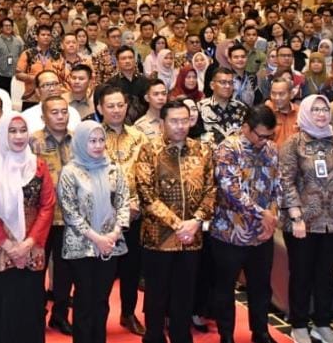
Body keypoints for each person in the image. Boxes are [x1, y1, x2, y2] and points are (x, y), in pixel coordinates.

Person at [279, 94, 333, 343]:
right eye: (315, 110)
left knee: (326, 276)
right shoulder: (294, 143)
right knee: (301, 275)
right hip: (302, 222)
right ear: (305, 113)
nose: (321, 114)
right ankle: (299, 325)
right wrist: (296, 216)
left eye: (324, 109)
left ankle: (322, 324)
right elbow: (285, 181)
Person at [0, 109, 56, 343]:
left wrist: (27, 244)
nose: (19, 136)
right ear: (2, 134)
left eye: (23, 130)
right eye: (12, 131)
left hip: (31, 246)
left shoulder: (37, 165)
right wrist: (9, 246)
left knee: (28, 307)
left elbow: (47, 206)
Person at [134, 100, 215, 343]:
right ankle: (154, 336)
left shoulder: (202, 150)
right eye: (174, 121)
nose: (180, 126)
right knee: (156, 294)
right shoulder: (149, 150)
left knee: (185, 293)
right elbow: (146, 194)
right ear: (163, 123)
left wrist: (196, 221)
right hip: (158, 237)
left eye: (185, 120)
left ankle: (181, 336)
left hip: (192, 238)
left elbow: (211, 190)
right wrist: (179, 225)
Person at [211, 106, 280, 343]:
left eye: (269, 135)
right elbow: (230, 190)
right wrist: (263, 214)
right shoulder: (228, 148)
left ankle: (260, 332)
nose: (264, 140)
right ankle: (226, 335)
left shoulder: (271, 148)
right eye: (260, 135)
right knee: (225, 288)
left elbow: (278, 185)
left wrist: (272, 215)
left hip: (262, 233)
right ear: (246, 128)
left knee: (261, 287)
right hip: (230, 231)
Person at [58, 119, 129, 343]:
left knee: (101, 300)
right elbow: (69, 212)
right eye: (92, 141)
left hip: (110, 244)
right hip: (82, 245)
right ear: (80, 142)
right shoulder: (70, 172)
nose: (98, 145)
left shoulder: (114, 169)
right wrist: (96, 238)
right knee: (84, 300)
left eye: (101, 140)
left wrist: (114, 234)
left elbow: (124, 203)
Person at [93, 84, 147, 335]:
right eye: (110, 106)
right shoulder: (91, 136)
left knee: (131, 268)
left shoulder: (139, 136)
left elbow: (147, 173)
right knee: (102, 272)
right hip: (102, 217)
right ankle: (97, 319)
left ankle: (128, 313)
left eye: (120, 105)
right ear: (100, 107)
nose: (116, 110)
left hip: (134, 213)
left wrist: (138, 204)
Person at [30, 95, 75, 334]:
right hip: (41, 218)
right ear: (43, 116)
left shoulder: (78, 140)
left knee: (65, 271)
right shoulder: (33, 141)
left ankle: (60, 315)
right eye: (54, 112)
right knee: (37, 269)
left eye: (63, 111)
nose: (60, 116)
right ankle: (37, 315)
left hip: (70, 218)